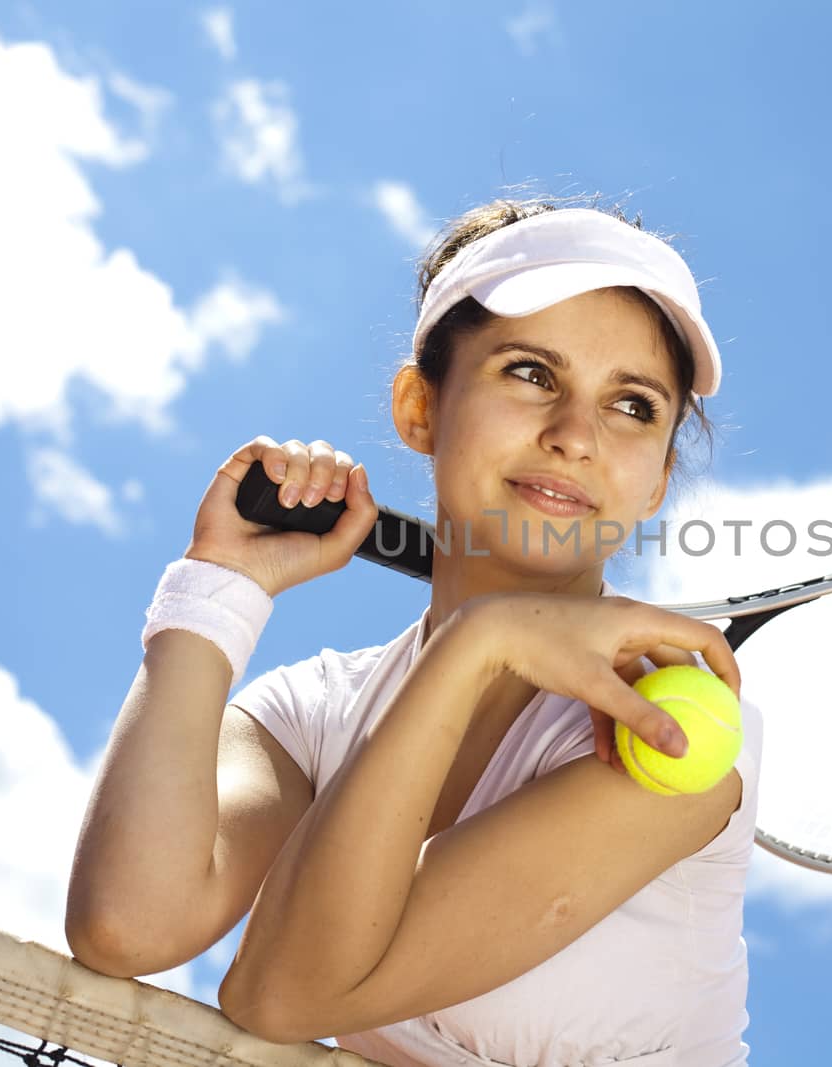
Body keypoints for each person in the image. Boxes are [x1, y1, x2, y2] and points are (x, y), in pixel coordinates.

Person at [66, 198, 764, 1066]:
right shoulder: (316, 709)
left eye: (632, 406)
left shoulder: (672, 723)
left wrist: (479, 639)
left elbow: (280, 993)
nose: (575, 437)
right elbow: (125, 926)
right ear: (419, 408)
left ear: (658, 481)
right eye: (531, 374)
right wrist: (219, 589)